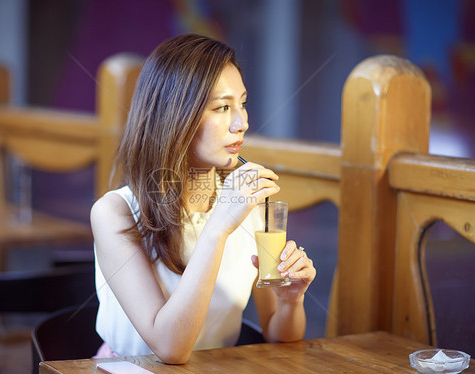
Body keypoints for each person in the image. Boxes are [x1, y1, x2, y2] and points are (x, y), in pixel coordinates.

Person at [90, 33, 316, 364]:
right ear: (174, 115)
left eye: (243, 104)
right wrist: (218, 226)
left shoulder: (247, 206)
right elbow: (169, 349)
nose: (242, 123)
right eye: (223, 107)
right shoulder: (115, 212)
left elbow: (277, 334)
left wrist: (291, 300)